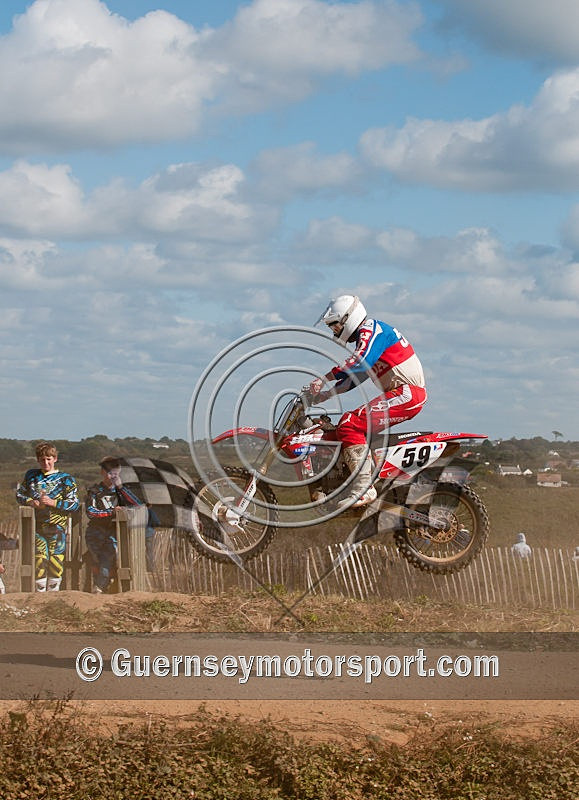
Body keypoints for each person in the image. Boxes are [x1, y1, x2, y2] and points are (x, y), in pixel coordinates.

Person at [309, 295, 427, 508]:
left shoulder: (372, 329)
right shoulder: (368, 336)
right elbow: (356, 377)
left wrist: (323, 378)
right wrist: (326, 395)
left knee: (349, 423)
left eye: (334, 325)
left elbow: (359, 362)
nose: (333, 330)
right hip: (401, 394)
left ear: (348, 318)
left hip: (407, 394)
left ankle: (363, 487)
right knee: (340, 430)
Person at [15, 441, 80, 591]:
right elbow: (19, 494)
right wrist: (31, 501)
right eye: (42, 459)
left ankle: (54, 593)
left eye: (49, 459)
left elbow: (74, 504)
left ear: (55, 459)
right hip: (36, 526)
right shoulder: (32, 476)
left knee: (56, 558)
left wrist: (53, 502)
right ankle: (40, 592)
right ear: (38, 460)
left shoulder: (66, 479)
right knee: (39, 558)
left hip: (57, 526)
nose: (46, 462)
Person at [85, 456, 143, 593]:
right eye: (108, 472)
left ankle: (99, 589)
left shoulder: (122, 491)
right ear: (102, 472)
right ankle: (100, 589)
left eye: (115, 473)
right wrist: (111, 512)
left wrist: (121, 487)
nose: (111, 475)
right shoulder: (94, 491)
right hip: (95, 532)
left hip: (114, 533)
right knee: (97, 562)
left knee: (107, 560)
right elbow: (91, 512)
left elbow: (138, 505)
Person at [145, 503, 161, 573]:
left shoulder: (139, 512)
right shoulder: (150, 511)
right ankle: (150, 568)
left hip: (138, 533)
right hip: (148, 533)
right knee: (149, 551)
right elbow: (157, 522)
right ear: (150, 505)